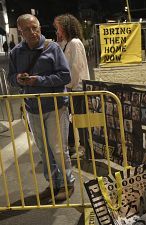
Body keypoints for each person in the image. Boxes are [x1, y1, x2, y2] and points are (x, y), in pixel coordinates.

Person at [8, 14, 74, 201]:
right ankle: (53, 184)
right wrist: (18, 79)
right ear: (20, 31)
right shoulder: (16, 53)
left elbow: (65, 76)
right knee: (44, 150)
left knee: (59, 149)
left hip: (56, 106)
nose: (33, 32)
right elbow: (11, 78)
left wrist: (39, 80)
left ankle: (67, 183)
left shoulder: (52, 48)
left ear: (39, 26)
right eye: (27, 29)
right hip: (32, 108)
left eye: (35, 27)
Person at [54, 14, 90, 158]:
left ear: (65, 27)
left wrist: (67, 84)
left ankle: (84, 147)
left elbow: (75, 67)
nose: (57, 31)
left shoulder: (75, 43)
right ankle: (72, 145)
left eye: (58, 28)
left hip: (77, 87)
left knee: (80, 119)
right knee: (69, 116)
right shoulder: (68, 43)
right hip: (71, 87)